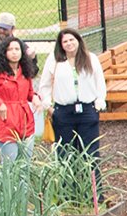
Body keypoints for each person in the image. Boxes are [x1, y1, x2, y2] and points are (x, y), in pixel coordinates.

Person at [45, 25, 107, 167]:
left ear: (78, 40)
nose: (69, 43)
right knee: (66, 154)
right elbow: (45, 84)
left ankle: (92, 181)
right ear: (61, 45)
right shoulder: (54, 60)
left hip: (87, 110)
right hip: (63, 112)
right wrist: (48, 106)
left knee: (90, 154)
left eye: (71, 40)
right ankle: (69, 181)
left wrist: (99, 103)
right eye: (65, 41)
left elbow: (100, 82)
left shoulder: (90, 58)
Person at [0, 35, 40, 162]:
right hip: (7, 123)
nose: (14, 52)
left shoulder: (25, 71)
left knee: (25, 164)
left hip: (26, 122)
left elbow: (29, 92)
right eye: (10, 49)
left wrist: (34, 97)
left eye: (17, 49)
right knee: (10, 165)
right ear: (4, 52)